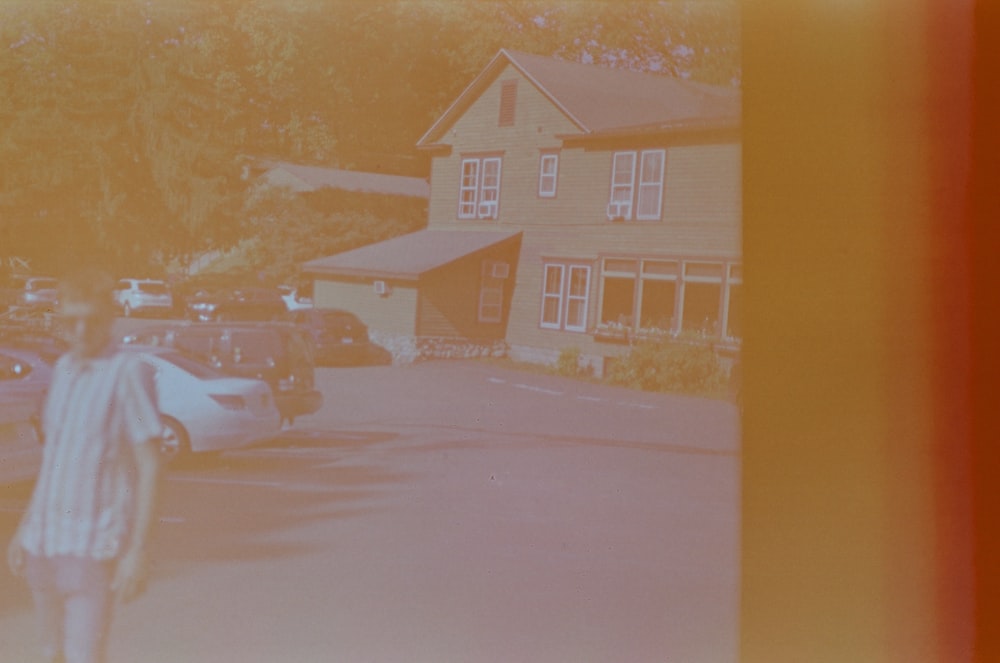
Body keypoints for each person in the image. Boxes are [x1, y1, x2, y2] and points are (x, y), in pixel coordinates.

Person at [7, 268, 164, 663]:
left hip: (92, 546)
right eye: (69, 320)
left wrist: (138, 550)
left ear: (109, 318)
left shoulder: (127, 372)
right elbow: (53, 460)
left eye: (90, 320)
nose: (79, 330)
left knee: (84, 656)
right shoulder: (61, 371)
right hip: (43, 542)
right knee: (49, 654)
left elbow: (150, 465)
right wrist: (23, 528)